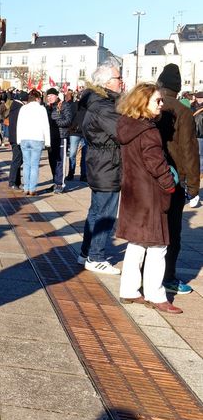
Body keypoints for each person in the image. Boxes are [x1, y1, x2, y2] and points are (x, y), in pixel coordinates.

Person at [115, 83, 181, 314]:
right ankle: (156, 294)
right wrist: (169, 185)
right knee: (157, 246)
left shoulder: (126, 125)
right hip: (149, 194)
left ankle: (130, 290)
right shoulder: (148, 130)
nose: (161, 104)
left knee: (136, 243)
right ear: (143, 102)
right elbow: (156, 164)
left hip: (133, 192)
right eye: (157, 101)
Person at [154, 64, 199, 295]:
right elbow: (189, 150)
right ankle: (168, 277)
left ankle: (147, 275)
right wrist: (194, 185)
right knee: (172, 231)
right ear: (178, 88)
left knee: (151, 230)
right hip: (175, 179)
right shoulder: (183, 112)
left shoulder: (152, 106)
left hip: (152, 177)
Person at [79, 64, 124, 274]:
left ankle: (86, 252)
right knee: (105, 212)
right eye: (118, 77)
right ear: (106, 83)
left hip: (101, 161)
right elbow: (122, 132)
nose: (121, 81)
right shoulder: (104, 106)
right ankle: (95, 256)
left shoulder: (97, 102)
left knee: (96, 211)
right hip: (107, 163)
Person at [16, 90, 50, 196]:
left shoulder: (23, 108)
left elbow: (19, 124)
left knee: (26, 164)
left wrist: (19, 139)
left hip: (25, 138)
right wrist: (47, 141)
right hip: (37, 138)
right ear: (37, 98)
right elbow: (46, 126)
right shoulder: (41, 109)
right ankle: (32, 189)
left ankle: (26, 187)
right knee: (34, 165)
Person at [45, 88, 72, 193]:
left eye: (51, 95)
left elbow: (68, 120)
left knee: (60, 161)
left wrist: (56, 123)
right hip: (50, 138)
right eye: (48, 96)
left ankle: (60, 184)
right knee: (52, 161)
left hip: (61, 136)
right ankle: (55, 182)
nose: (49, 98)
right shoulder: (47, 107)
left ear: (57, 96)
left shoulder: (64, 105)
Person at [6, 91, 25, 189]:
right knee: (17, 160)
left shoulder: (15, 107)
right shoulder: (20, 108)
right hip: (18, 138)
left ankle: (16, 181)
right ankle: (12, 181)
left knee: (17, 159)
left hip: (14, 137)